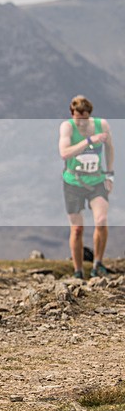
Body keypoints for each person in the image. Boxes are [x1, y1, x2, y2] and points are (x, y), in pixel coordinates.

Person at [59, 95, 114, 279]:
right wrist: (89, 141)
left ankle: (97, 264)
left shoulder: (101, 125)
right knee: (77, 228)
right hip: (73, 182)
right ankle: (78, 271)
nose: (80, 122)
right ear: (72, 114)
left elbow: (110, 148)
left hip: (96, 181)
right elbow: (64, 153)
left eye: (84, 118)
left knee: (101, 220)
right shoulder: (67, 127)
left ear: (89, 115)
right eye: (77, 118)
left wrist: (110, 174)